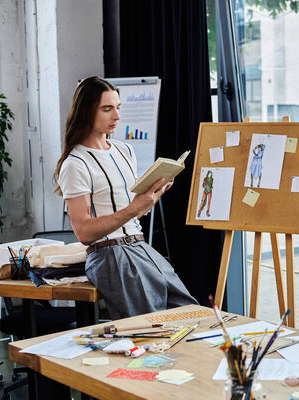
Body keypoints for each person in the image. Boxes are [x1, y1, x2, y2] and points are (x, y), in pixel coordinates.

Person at [53, 76, 197, 320]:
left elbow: (131, 212)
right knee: (153, 330)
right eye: (107, 109)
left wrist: (151, 198)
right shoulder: (75, 164)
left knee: (192, 316)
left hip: (139, 245)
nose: (117, 117)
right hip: (110, 256)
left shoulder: (124, 150)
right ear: (86, 111)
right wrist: (133, 208)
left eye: (118, 108)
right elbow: (84, 233)